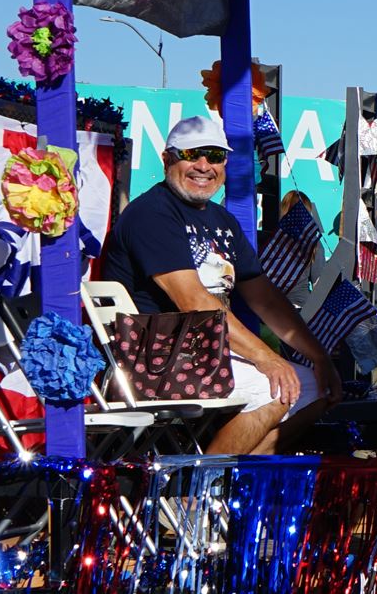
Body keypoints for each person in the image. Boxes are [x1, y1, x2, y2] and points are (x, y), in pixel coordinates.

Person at [105, 113, 338, 454]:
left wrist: (319, 357)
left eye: (214, 156)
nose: (204, 165)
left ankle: (233, 487)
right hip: (152, 358)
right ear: (167, 158)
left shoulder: (221, 219)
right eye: (192, 154)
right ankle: (191, 495)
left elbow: (266, 300)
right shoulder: (151, 213)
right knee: (274, 387)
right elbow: (192, 299)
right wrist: (266, 358)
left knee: (318, 387)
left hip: (203, 356)